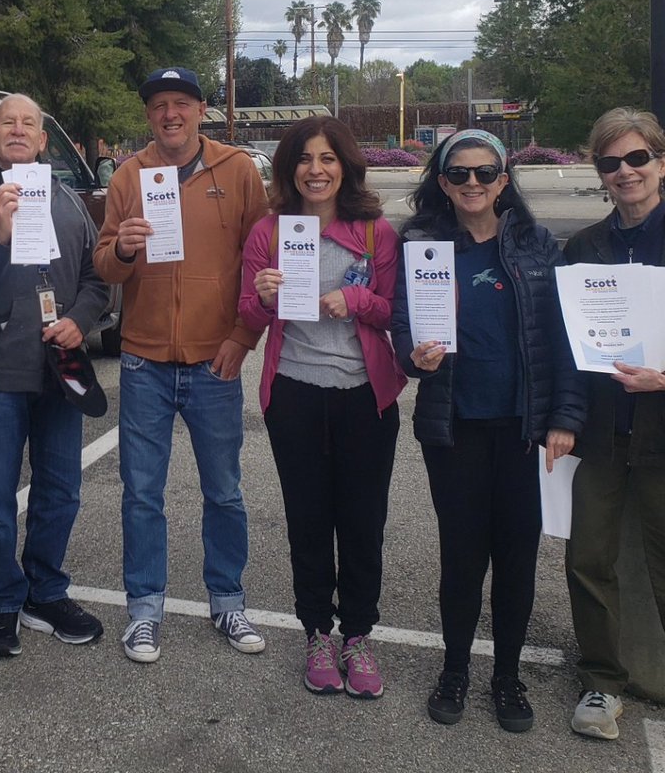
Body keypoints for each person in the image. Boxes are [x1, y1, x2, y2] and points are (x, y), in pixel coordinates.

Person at [391, 129, 586, 733]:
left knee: (518, 559)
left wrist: (565, 418)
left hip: (525, 431)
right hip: (455, 428)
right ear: (443, 183)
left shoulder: (537, 247)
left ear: (503, 179)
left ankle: (507, 676)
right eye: (459, 174)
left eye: (484, 173)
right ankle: (455, 669)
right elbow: (402, 328)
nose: (472, 183)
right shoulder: (423, 247)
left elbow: (565, 343)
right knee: (463, 556)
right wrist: (412, 356)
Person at [94, 67, 267, 663]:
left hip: (214, 361)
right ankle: (144, 610)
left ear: (200, 110)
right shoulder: (129, 175)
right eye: (160, 106)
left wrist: (243, 338)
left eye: (182, 104)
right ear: (149, 115)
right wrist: (121, 248)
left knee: (224, 491)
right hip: (143, 361)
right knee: (142, 493)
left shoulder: (238, 170)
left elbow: (261, 259)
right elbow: (105, 265)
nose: (171, 114)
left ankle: (228, 600)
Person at [238, 118, 404, 699]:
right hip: (296, 395)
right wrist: (261, 297)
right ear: (289, 169)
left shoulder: (375, 232)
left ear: (345, 166)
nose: (316, 169)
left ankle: (357, 636)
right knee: (308, 522)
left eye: (328, 158)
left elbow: (391, 311)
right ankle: (317, 633)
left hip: (365, 398)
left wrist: (354, 298)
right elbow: (251, 316)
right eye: (305, 159)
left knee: (362, 524)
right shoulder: (270, 231)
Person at [0, 94, 108, 659]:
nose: (18, 131)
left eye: (29, 124)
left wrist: (78, 321)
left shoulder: (64, 197)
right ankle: (0, 606)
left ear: (43, 141)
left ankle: (45, 590)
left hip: (60, 362)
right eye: (6, 123)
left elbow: (96, 278)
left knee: (60, 488)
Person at [562, 107, 665, 741]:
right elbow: (567, 349)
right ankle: (602, 682)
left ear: (660, 162)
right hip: (603, 435)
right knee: (589, 559)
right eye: (611, 162)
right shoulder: (584, 248)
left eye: (637, 159)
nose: (625, 172)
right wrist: (561, 421)